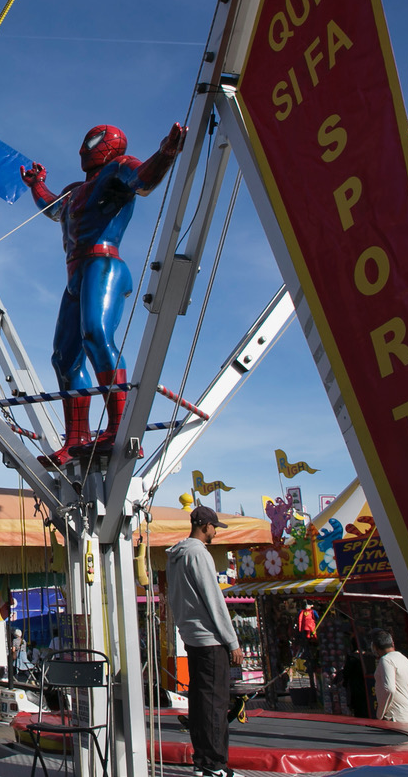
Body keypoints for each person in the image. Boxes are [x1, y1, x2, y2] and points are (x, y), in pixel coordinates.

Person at [21, 122, 187, 465]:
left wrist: (167, 152)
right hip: (76, 274)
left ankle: (120, 424)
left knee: (96, 334)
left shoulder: (118, 168)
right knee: (64, 358)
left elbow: (144, 179)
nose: (86, 147)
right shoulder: (74, 190)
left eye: (94, 141)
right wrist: (37, 185)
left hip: (103, 263)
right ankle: (76, 438)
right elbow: (53, 208)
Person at [166, 505, 242, 777]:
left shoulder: (175, 556)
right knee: (215, 704)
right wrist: (232, 642)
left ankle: (204, 761)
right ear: (206, 526)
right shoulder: (199, 554)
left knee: (200, 702)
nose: (215, 533)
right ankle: (214, 765)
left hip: (192, 637)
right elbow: (214, 600)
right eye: (214, 528)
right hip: (210, 639)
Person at [370, 629, 408, 723]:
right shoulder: (405, 660)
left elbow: (389, 689)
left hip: (394, 717)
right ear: (392, 643)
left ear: (375, 647)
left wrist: (380, 714)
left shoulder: (386, 660)